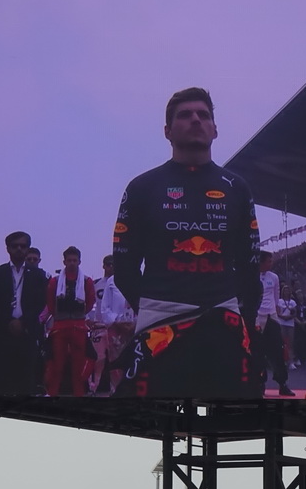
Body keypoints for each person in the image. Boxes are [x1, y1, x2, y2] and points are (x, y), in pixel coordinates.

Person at [112, 87, 262, 397]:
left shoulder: (237, 187)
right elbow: (124, 268)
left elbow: (250, 268)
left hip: (225, 327)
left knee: (234, 428)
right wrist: (158, 308)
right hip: (161, 329)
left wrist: (242, 320)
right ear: (167, 131)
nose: (196, 119)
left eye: (203, 115)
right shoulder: (141, 187)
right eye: (185, 115)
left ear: (215, 129)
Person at [0, 231, 48, 395]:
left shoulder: (38, 275)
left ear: (28, 249)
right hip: (2, 334)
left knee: (26, 382)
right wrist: (8, 321)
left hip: (27, 334)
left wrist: (24, 321)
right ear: (7, 249)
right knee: (0, 382)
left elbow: (41, 302)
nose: (19, 249)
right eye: (15, 246)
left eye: (23, 246)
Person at [40, 246, 96, 396]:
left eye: (74, 260)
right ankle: (52, 393)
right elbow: (50, 304)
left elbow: (91, 302)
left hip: (79, 327)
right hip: (60, 328)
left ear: (79, 262)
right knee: (57, 365)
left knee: (78, 367)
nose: (72, 263)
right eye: (69, 260)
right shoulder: (55, 281)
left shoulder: (86, 281)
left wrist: (80, 315)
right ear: (64, 262)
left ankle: (79, 394)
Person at [89, 255, 136, 395]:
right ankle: (115, 391)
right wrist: (117, 321)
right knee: (114, 361)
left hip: (134, 327)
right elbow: (105, 308)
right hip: (115, 327)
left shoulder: (136, 281)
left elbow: (141, 304)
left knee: (133, 360)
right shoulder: (110, 282)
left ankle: (131, 391)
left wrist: (135, 322)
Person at [255, 251, 294, 396]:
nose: (271, 263)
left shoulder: (274, 277)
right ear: (261, 262)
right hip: (257, 316)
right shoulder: (251, 276)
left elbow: (276, 295)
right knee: (257, 352)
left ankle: (282, 383)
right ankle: (260, 383)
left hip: (271, 316)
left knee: (278, 351)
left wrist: (275, 310)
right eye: (269, 261)